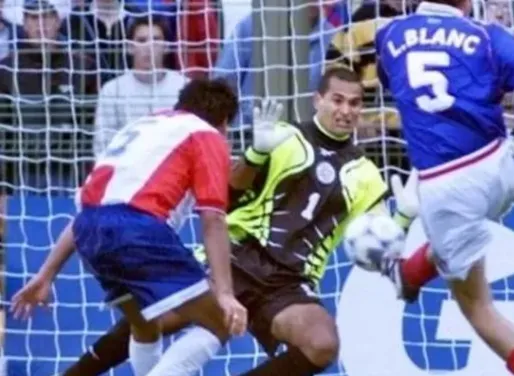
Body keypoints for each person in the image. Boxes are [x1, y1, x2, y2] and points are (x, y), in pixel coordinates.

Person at [58, 66, 419, 376]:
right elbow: (227, 192)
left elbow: (374, 242)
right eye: (337, 100)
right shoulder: (283, 135)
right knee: (153, 320)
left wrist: (402, 217)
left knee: (322, 343)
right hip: (236, 254)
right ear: (318, 100)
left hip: (290, 281)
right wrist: (255, 153)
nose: (346, 110)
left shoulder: (369, 174)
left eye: (355, 103)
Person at [374, 1, 514, 376]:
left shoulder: (389, 35)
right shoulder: (487, 35)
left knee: (480, 310)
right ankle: (410, 274)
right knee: (458, 236)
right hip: (500, 169)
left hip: (446, 183)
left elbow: (392, 81)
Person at [10, 79, 248, 376]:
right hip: (137, 230)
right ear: (224, 123)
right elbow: (213, 219)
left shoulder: (144, 126)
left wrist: (46, 274)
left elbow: (85, 213)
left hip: (89, 231)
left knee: (145, 324)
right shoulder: (207, 135)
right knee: (218, 322)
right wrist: (225, 293)